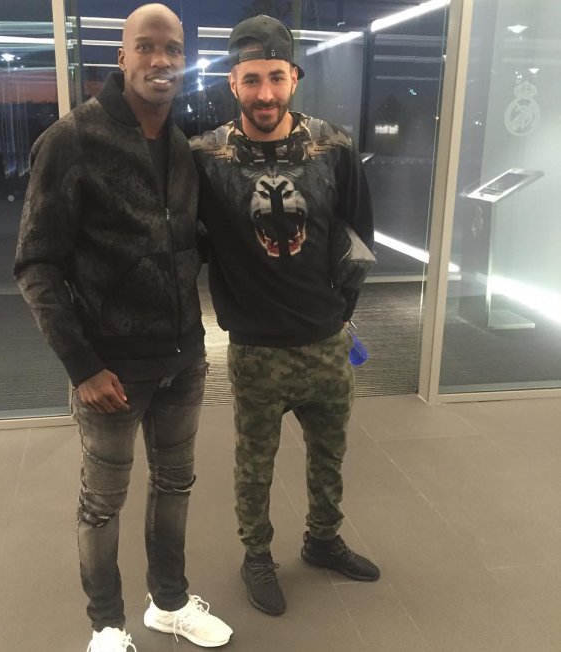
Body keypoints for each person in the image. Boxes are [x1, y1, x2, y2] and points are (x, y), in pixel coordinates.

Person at [14, 4, 232, 651]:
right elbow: (36, 264)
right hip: (108, 369)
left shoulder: (184, 147)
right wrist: (81, 365)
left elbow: (190, 241)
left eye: (173, 49)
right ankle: (107, 625)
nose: (161, 60)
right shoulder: (71, 140)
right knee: (102, 503)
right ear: (122, 56)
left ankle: (168, 603)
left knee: (176, 485)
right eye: (147, 46)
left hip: (183, 360)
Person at [190, 14, 381, 617]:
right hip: (256, 348)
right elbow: (190, 241)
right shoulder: (206, 157)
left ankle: (323, 540)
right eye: (251, 80)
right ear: (232, 82)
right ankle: (256, 556)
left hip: (325, 339)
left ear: (294, 77)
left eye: (276, 77)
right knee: (255, 464)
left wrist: (340, 312)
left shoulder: (333, 147)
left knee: (330, 454)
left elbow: (357, 234)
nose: (265, 93)